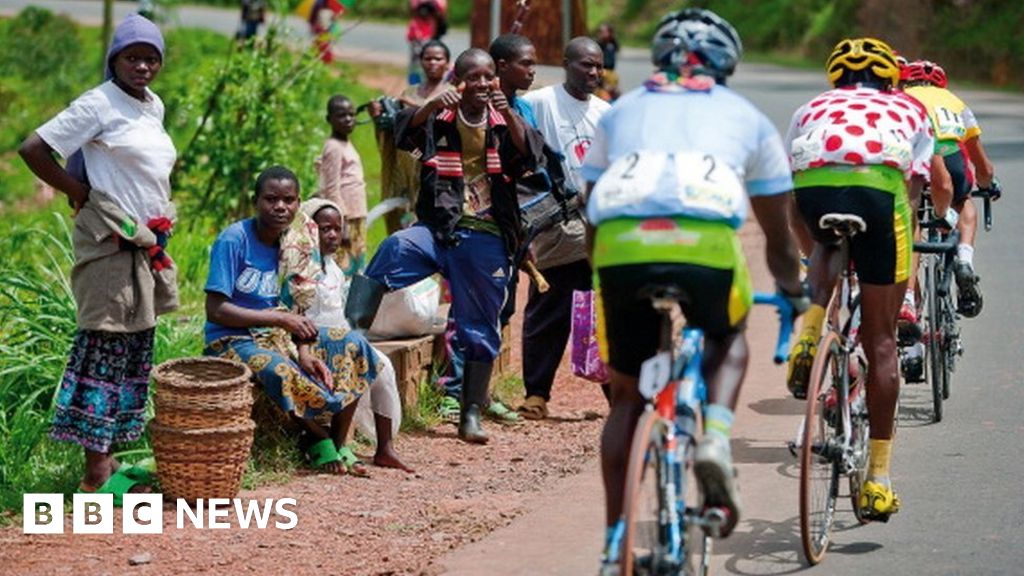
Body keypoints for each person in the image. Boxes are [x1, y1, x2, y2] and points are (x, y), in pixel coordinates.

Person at [587, 10, 806, 566]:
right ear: (726, 64)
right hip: (705, 242)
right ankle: (713, 439)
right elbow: (780, 239)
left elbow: (591, 211)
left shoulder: (622, 110)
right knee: (729, 337)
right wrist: (793, 289)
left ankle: (616, 545)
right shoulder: (747, 118)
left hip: (621, 245)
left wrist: (611, 276)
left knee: (628, 399)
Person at [345, 48, 542, 445]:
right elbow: (403, 132)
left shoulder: (506, 121)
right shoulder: (443, 116)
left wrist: (511, 115)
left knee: (480, 325)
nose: (484, 84)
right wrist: (431, 105)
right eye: (475, 77)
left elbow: (533, 155)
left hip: (485, 235)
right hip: (438, 229)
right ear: (460, 81)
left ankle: (469, 412)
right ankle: (350, 334)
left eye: (489, 77)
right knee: (394, 249)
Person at [18, 14, 177, 500]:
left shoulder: (153, 106)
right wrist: (81, 193)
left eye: (151, 58)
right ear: (115, 60)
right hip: (110, 246)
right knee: (102, 350)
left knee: (132, 352)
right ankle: (93, 477)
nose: (143, 66)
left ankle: (108, 467)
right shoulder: (98, 103)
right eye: (133, 57)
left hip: (145, 244)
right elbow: (34, 148)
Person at [785, 38, 934, 520]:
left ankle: (810, 332)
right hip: (877, 196)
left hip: (815, 194)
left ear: (836, 78)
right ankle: (878, 480)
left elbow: (795, 173)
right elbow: (914, 190)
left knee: (824, 236)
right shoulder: (908, 108)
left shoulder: (811, 107)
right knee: (883, 341)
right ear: (888, 76)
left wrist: (812, 251)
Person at [204, 166, 378, 476]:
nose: (280, 207)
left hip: (279, 335)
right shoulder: (235, 239)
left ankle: (337, 443)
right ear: (256, 201)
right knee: (279, 370)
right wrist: (278, 320)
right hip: (232, 339)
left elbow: (297, 305)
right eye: (271, 199)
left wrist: (306, 351)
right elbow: (216, 309)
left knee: (354, 345)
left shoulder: (296, 242)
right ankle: (319, 438)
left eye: (289, 199)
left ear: (299, 204)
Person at [517, 37, 610, 421]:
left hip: (601, 221)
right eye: (586, 65)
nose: (593, 72)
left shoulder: (607, 113)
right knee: (550, 307)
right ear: (566, 63)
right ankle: (536, 393)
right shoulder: (541, 103)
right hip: (558, 222)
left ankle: (617, 395)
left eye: (598, 66)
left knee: (605, 309)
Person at [302, 198, 414, 472]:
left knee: (383, 367)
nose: (331, 235)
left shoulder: (335, 270)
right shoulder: (301, 269)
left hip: (343, 339)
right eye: (323, 228)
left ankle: (385, 448)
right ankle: (337, 444)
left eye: (336, 229)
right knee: (350, 363)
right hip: (313, 343)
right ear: (308, 229)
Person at [900, 59, 1000, 321]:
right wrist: (988, 186)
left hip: (915, 158)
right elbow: (983, 168)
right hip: (950, 154)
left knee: (911, 216)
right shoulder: (954, 101)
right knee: (964, 200)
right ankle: (965, 259)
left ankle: (908, 297)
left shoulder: (900, 97)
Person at [372, 39, 453, 235]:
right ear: (421, 61)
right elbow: (396, 129)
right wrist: (378, 117)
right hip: (406, 164)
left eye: (438, 59)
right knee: (402, 217)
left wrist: (417, 107)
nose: (432, 63)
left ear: (447, 63)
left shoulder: (451, 94)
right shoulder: (409, 92)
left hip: (436, 167)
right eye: (428, 59)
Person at [316, 94, 368, 275]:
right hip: (346, 219)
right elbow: (331, 188)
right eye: (342, 115)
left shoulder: (345, 143)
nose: (348, 119)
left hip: (356, 217)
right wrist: (341, 225)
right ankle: (341, 303)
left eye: (351, 115)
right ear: (329, 119)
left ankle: (354, 302)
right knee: (344, 269)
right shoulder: (334, 147)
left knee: (357, 268)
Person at [406, 0, 448, 84]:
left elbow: (441, 10)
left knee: (432, 64)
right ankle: (414, 86)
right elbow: (413, 7)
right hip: (417, 38)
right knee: (416, 66)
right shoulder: (414, 24)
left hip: (432, 35)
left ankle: (429, 85)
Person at [594, 23, 620, 101]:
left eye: (604, 32)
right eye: (600, 32)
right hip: (602, 70)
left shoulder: (612, 43)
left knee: (613, 91)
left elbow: (617, 49)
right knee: (602, 91)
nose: (601, 34)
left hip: (611, 71)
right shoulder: (598, 44)